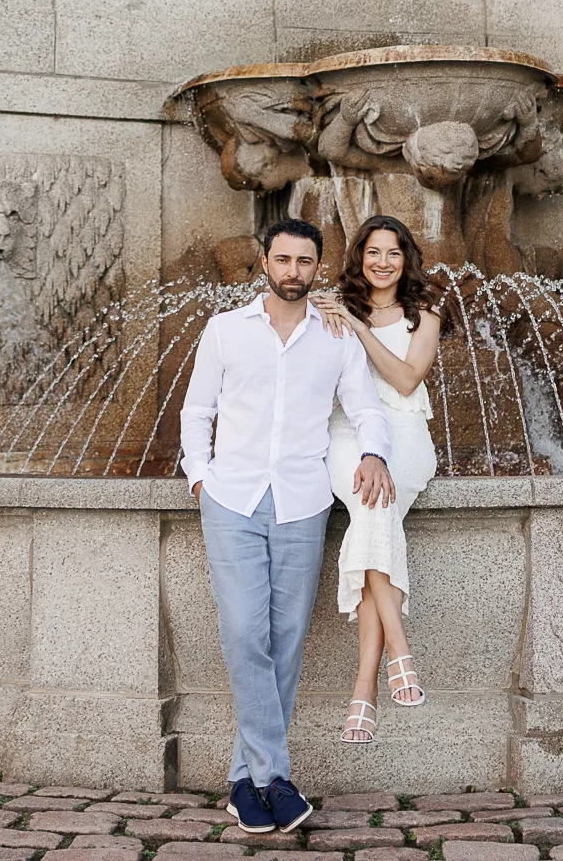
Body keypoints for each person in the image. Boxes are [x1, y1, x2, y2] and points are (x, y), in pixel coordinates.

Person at [180, 218, 396, 835]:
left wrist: (374, 455)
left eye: (304, 262)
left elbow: (367, 409)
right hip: (231, 498)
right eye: (283, 260)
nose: (293, 271)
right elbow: (197, 411)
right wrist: (200, 477)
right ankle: (275, 777)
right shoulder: (225, 330)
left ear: (317, 267)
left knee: (286, 639)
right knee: (245, 632)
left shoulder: (336, 337)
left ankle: (244, 783)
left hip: (302, 501)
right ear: (265, 263)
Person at [313, 214, 444, 746]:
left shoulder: (425, 316)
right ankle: (399, 650)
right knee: (372, 505)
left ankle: (364, 688)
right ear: (359, 257)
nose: (382, 262)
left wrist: (360, 326)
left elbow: (407, 379)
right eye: (373, 252)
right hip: (347, 431)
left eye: (393, 252)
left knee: (372, 513)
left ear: (406, 258)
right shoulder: (331, 307)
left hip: (406, 431)